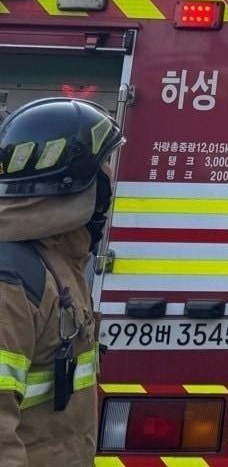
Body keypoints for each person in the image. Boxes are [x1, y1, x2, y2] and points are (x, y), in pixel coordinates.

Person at [0, 98, 122, 467]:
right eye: (105, 165)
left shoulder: (57, 262)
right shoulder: (12, 283)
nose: (112, 177)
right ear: (77, 182)